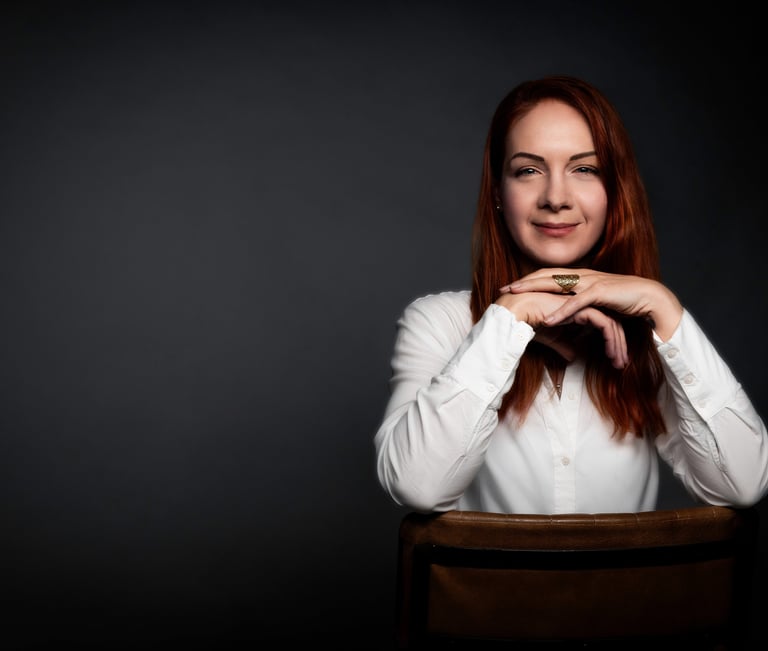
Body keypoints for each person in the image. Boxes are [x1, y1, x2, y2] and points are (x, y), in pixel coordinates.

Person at [373, 75, 768, 515]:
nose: (556, 197)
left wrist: (662, 304)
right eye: (528, 170)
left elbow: (743, 484)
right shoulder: (439, 323)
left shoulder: (649, 335)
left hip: (626, 588)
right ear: (499, 194)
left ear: (614, 191)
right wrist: (512, 315)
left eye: (584, 169)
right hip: (485, 587)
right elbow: (417, 488)